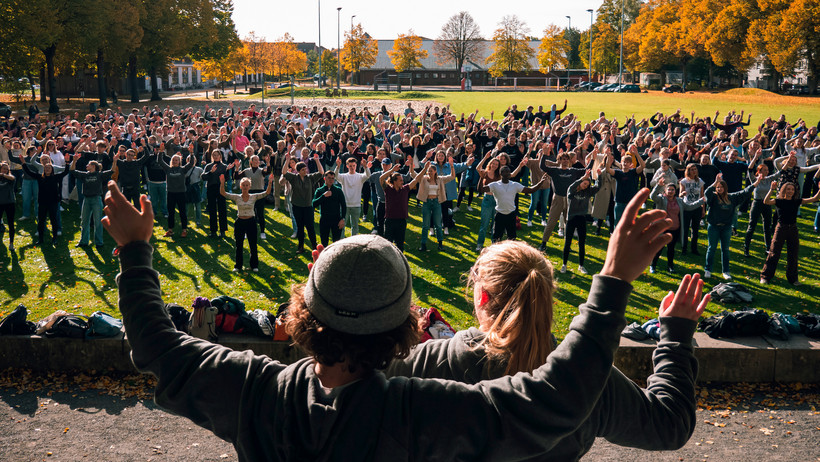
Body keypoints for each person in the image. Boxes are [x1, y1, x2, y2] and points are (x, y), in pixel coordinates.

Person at [103, 178, 683, 461]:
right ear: (408, 323)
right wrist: (612, 285)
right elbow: (560, 396)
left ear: (302, 310)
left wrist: (136, 252)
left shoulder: (257, 391)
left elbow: (158, 347)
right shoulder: (421, 409)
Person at [386, 239, 706, 460]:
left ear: (480, 297)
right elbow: (670, 424)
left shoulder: (430, 363)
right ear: (547, 300)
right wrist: (675, 337)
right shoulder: (585, 376)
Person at [685, 173, 760, 280]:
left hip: (726, 228)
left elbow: (745, 192)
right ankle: (708, 269)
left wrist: (756, 183)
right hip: (714, 227)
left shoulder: (732, 198)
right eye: (718, 187)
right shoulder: (713, 198)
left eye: (721, 187)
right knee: (712, 248)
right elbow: (707, 192)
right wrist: (715, 182)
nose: (719, 189)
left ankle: (726, 271)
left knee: (725, 249)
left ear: (725, 188)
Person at [760, 179, 820, 285]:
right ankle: (765, 277)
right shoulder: (779, 201)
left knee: (793, 254)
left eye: (792, 189)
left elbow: (814, 198)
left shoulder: (796, 201)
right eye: (788, 189)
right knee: (774, 253)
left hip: (792, 229)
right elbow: (766, 201)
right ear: (784, 190)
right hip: (781, 228)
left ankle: (793, 279)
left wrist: (819, 189)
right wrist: (771, 189)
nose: (790, 191)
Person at [219, 173, 274, 272]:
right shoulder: (237, 197)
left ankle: (254, 266)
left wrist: (270, 182)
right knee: (238, 245)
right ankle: (238, 266)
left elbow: (266, 193)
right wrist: (222, 183)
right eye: (243, 185)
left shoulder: (254, 197)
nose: (245, 187)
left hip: (251, 222)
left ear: (249, 187)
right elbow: (224, 193)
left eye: (246, 185)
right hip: (240, 222)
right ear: (240, 186)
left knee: (253, 244)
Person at [483, 166, 548, 242]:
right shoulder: (495, 185)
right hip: (499, 214)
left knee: (512, 238)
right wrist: (481, 178)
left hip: (511, 215)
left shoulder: (515, 185)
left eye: (508, 172)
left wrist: (541, 182)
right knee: (496, 237)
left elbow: (531, 190)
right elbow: (480, 189)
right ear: (501, 173)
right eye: (505, 172)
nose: (507, 173)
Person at [20, 155, 69, 246]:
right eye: (45, 168)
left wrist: (67, 162)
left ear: (52, 169)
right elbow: (28, 171)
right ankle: (40, 239)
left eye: (49, 168)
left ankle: (54, 238)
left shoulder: (56, 177)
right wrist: (23, 162)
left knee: (53, 220)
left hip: (53, 202)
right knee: (41, 220)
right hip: (42, 202)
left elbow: (66, 171)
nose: (47, 169)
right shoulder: (40, 177)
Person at [70, 152, 114, 250]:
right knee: (84, 221)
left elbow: (112, 170)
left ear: (93, 166)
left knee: (98, 222)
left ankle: (99, 242)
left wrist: (114, 161)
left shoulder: (100, 175)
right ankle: (84, 241)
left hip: (96, 199)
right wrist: (74, 161)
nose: (86, 166)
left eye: (88, 164)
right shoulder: (84, 175)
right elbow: (72, 170)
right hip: (86, 199)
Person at [282, 155, 325, 252]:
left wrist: (317, 161)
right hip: (297, 206)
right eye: (303, 170)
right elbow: (284, 172)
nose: (305, 171)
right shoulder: (294, 178)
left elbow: (321, 172)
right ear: (298, 171)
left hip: (308, 207)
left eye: (305, 169)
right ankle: (301, 247)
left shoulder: (310, 178)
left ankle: (314, 246)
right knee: (300, 227)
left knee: (310, 227)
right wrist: (287, 160)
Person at [379, 159, 424, 252]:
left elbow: (416, 179)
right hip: (390, 221)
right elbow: (381, 179)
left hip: (401, 221)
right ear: (394, 181)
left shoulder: (405, 189)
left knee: (400, 245)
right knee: (388, 245)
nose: (402, 182)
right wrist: (392, 170)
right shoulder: (388, 189)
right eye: (400, 180)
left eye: (402, 180)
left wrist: (425, 169)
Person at [562, 170, 600, 275]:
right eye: (584, 184)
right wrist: (582, 178)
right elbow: (572, 186)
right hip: (571, 218)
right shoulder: (572, 191)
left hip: (581, 219)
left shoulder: (587, 192)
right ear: (581, 182)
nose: (585, 186)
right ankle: (564, 264)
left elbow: (598, 187)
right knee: (567, 242)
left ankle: (581, 265)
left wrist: (599, 176)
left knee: (582, 243)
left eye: (587, 185)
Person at [416, 157, 456, 251]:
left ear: (435, 171)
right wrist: (422, 168)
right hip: (427, 202)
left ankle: (440, 244)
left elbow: (452, 176)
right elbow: (415, 175)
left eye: (431, 171)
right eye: (428, 171)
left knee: (438, 224)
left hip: (437, 203)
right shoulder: (424, 179)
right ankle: (423, 244)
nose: (429, 173)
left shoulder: (440, 179)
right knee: (425, 225)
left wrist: (452, 166)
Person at [650, 178, 685, 274]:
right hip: (663, 228)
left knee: (671, 249)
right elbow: (652, 196)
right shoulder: (661, 199)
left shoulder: (679, 200)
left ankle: (670, 266)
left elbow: (689, 206)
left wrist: (702, 201)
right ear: (665, 190)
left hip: (675, 228)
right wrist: (658, 185)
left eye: (672, 190)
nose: (670, 191)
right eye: (668, 189)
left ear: (675, 191)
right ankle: (653, 265)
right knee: (659, 248)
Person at [159, 151, 196, 238]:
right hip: (171, 193)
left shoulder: (183, 169)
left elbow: (191, 163)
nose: (175, 161)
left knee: (182, 212)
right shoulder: (168, 169)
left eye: (177, 160)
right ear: (171, 161)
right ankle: (170, 230)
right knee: (170, 212)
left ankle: (184, 230)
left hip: (181, 193)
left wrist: (191, 154)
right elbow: (160, 161)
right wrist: (161, 152)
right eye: (174, 160)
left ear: (179, 161)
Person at [235, 154, 271, 239]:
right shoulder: (246, 171)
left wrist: (268, 163)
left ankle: (262, 232)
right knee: (248, 214)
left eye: (258, 160)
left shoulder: (261, 170)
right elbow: (236, 177)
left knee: (260, 213)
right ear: (251, 161)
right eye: (255, 160)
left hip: (259, 193)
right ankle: (246, 232)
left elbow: (268, 172)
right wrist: (237, 168)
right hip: (249, 193)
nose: (257, 162)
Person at [333, 156, 371, 237]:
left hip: (356, 205)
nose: (352, 167)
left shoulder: (360, 177)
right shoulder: (344, 177)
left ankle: (353, 244)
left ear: (356, 166)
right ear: (347, 166)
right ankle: (341, 243)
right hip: (345, 205)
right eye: (350, 166)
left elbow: (368, 175)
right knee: (341, 226)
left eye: (353, 165)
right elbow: (336, 176)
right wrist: (338, 166)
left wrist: (365, 167)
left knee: (355, 227)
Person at [312, 171, 346, 247]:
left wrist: (342, 219)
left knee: (337, 243)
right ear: (324, 178)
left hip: (336, 219)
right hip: (324, 219)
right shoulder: (320, 190)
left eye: (333, 178)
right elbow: (313, 204)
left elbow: (343, 205)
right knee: (324, 242)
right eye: (329, 178)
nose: (331, 180)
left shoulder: (338, 190)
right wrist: (323, 196)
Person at [0, 162, 16, 250]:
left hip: (10, 203)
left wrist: (2, 174)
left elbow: (12, 178)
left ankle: (11, 243)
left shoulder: (10, 178)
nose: (5, 170)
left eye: (6, 169)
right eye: (3, 168)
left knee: (11, 223)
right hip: (0, 203)